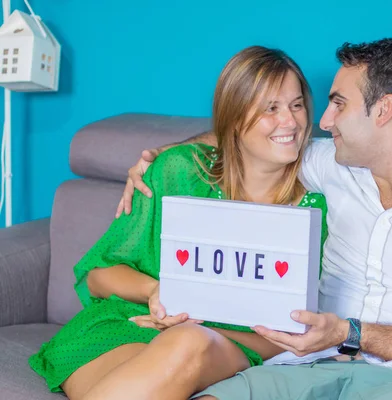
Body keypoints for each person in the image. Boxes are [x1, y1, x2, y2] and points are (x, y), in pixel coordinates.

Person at [118, 38, 392, 400]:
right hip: (307, 368)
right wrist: (160, 155)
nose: (323, 121)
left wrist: (350, 333)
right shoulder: (331, 164)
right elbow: (246, 133)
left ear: (384, 110)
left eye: (339, 104)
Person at [28, 46, 329, 400]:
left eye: (296, 105)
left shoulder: (320, 204)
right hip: (130, 323)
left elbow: (290, 338)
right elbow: (97, 275)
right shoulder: (180, 171)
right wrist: (157, 294)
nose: (291, 121)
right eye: (271, 108)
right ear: (233, 117)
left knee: (187, 341)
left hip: (226, 344)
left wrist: (191, 327)